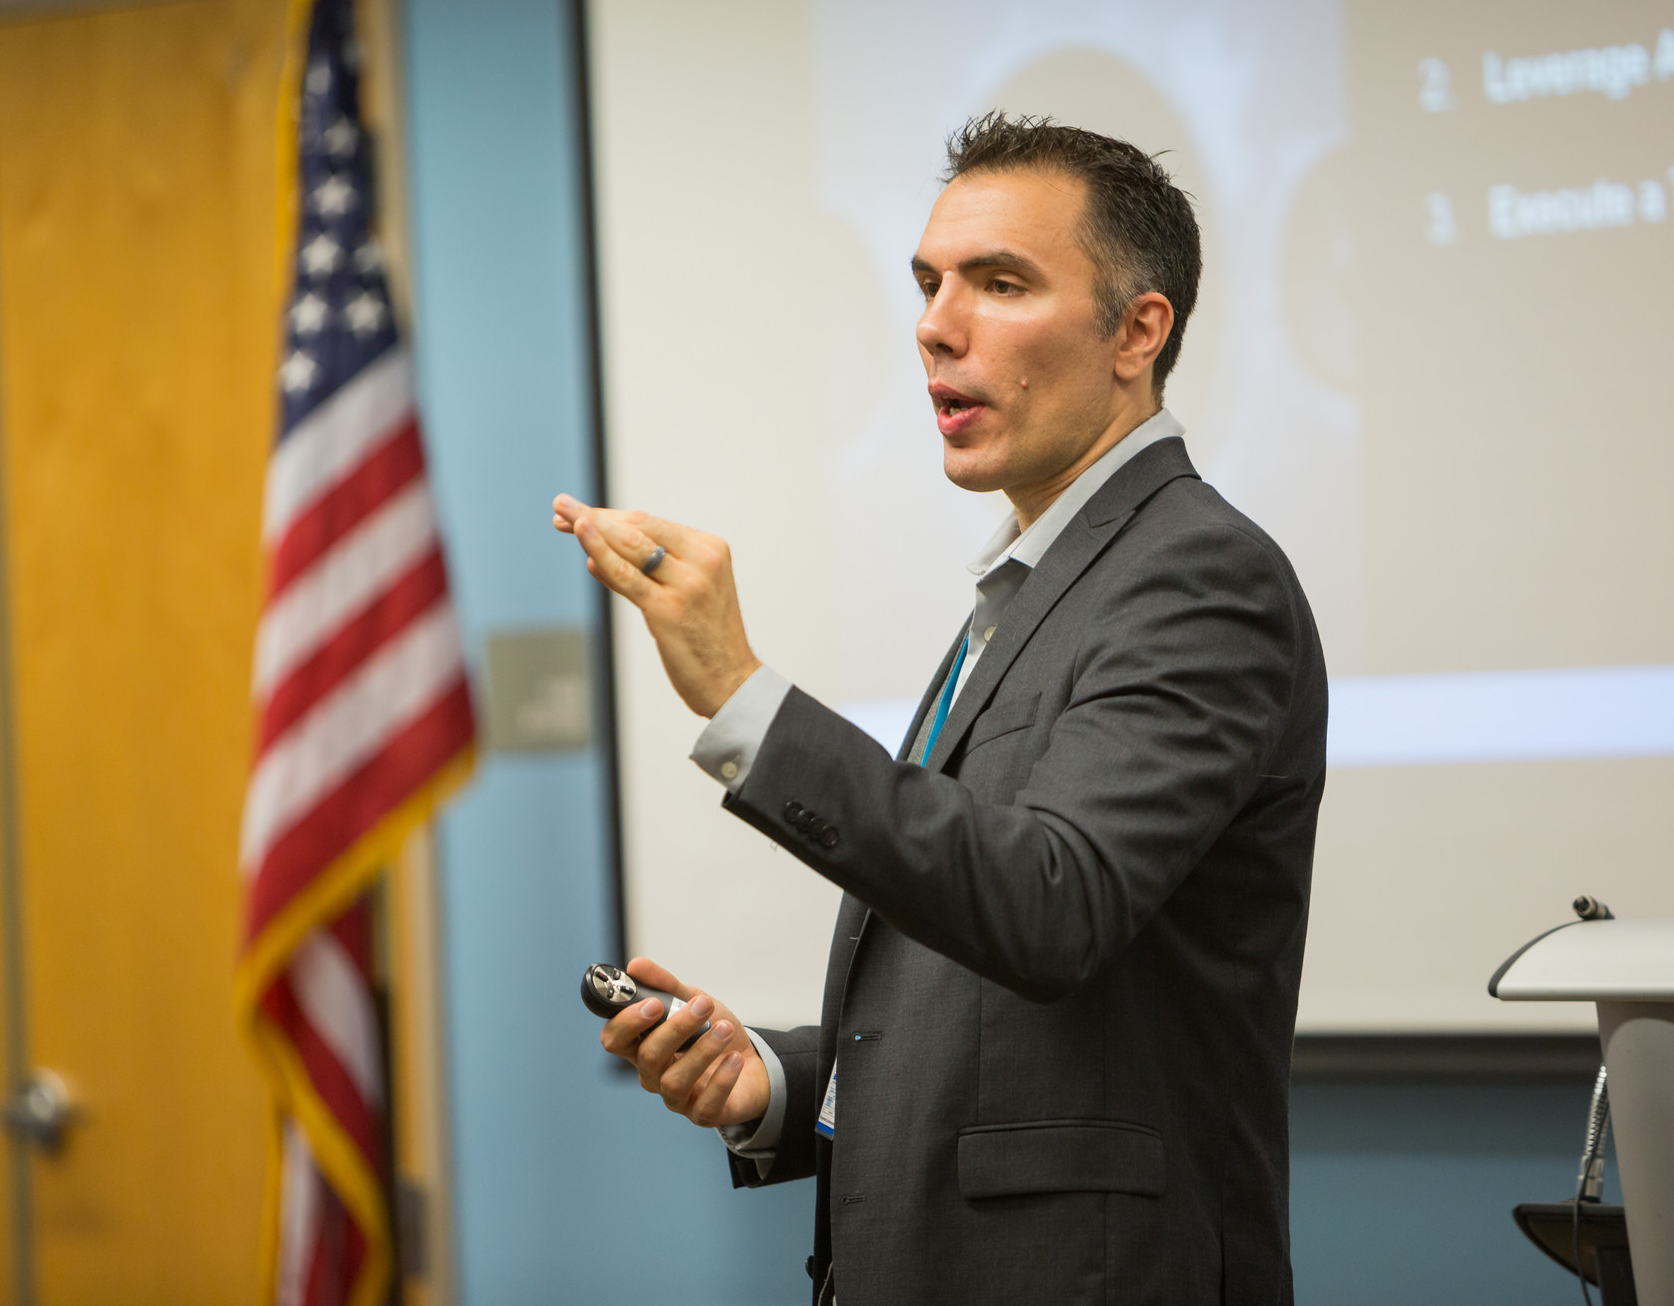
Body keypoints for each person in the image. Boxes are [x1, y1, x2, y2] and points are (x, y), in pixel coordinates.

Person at [554, 113, 1326, 1305]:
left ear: (1137, 331)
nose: (933, 324)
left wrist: (741, 695)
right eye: (928, 283)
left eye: (999, 283)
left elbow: (1047, 906)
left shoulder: (1198, 575)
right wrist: (771, 1078)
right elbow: (978, 992)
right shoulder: (1034, 586)